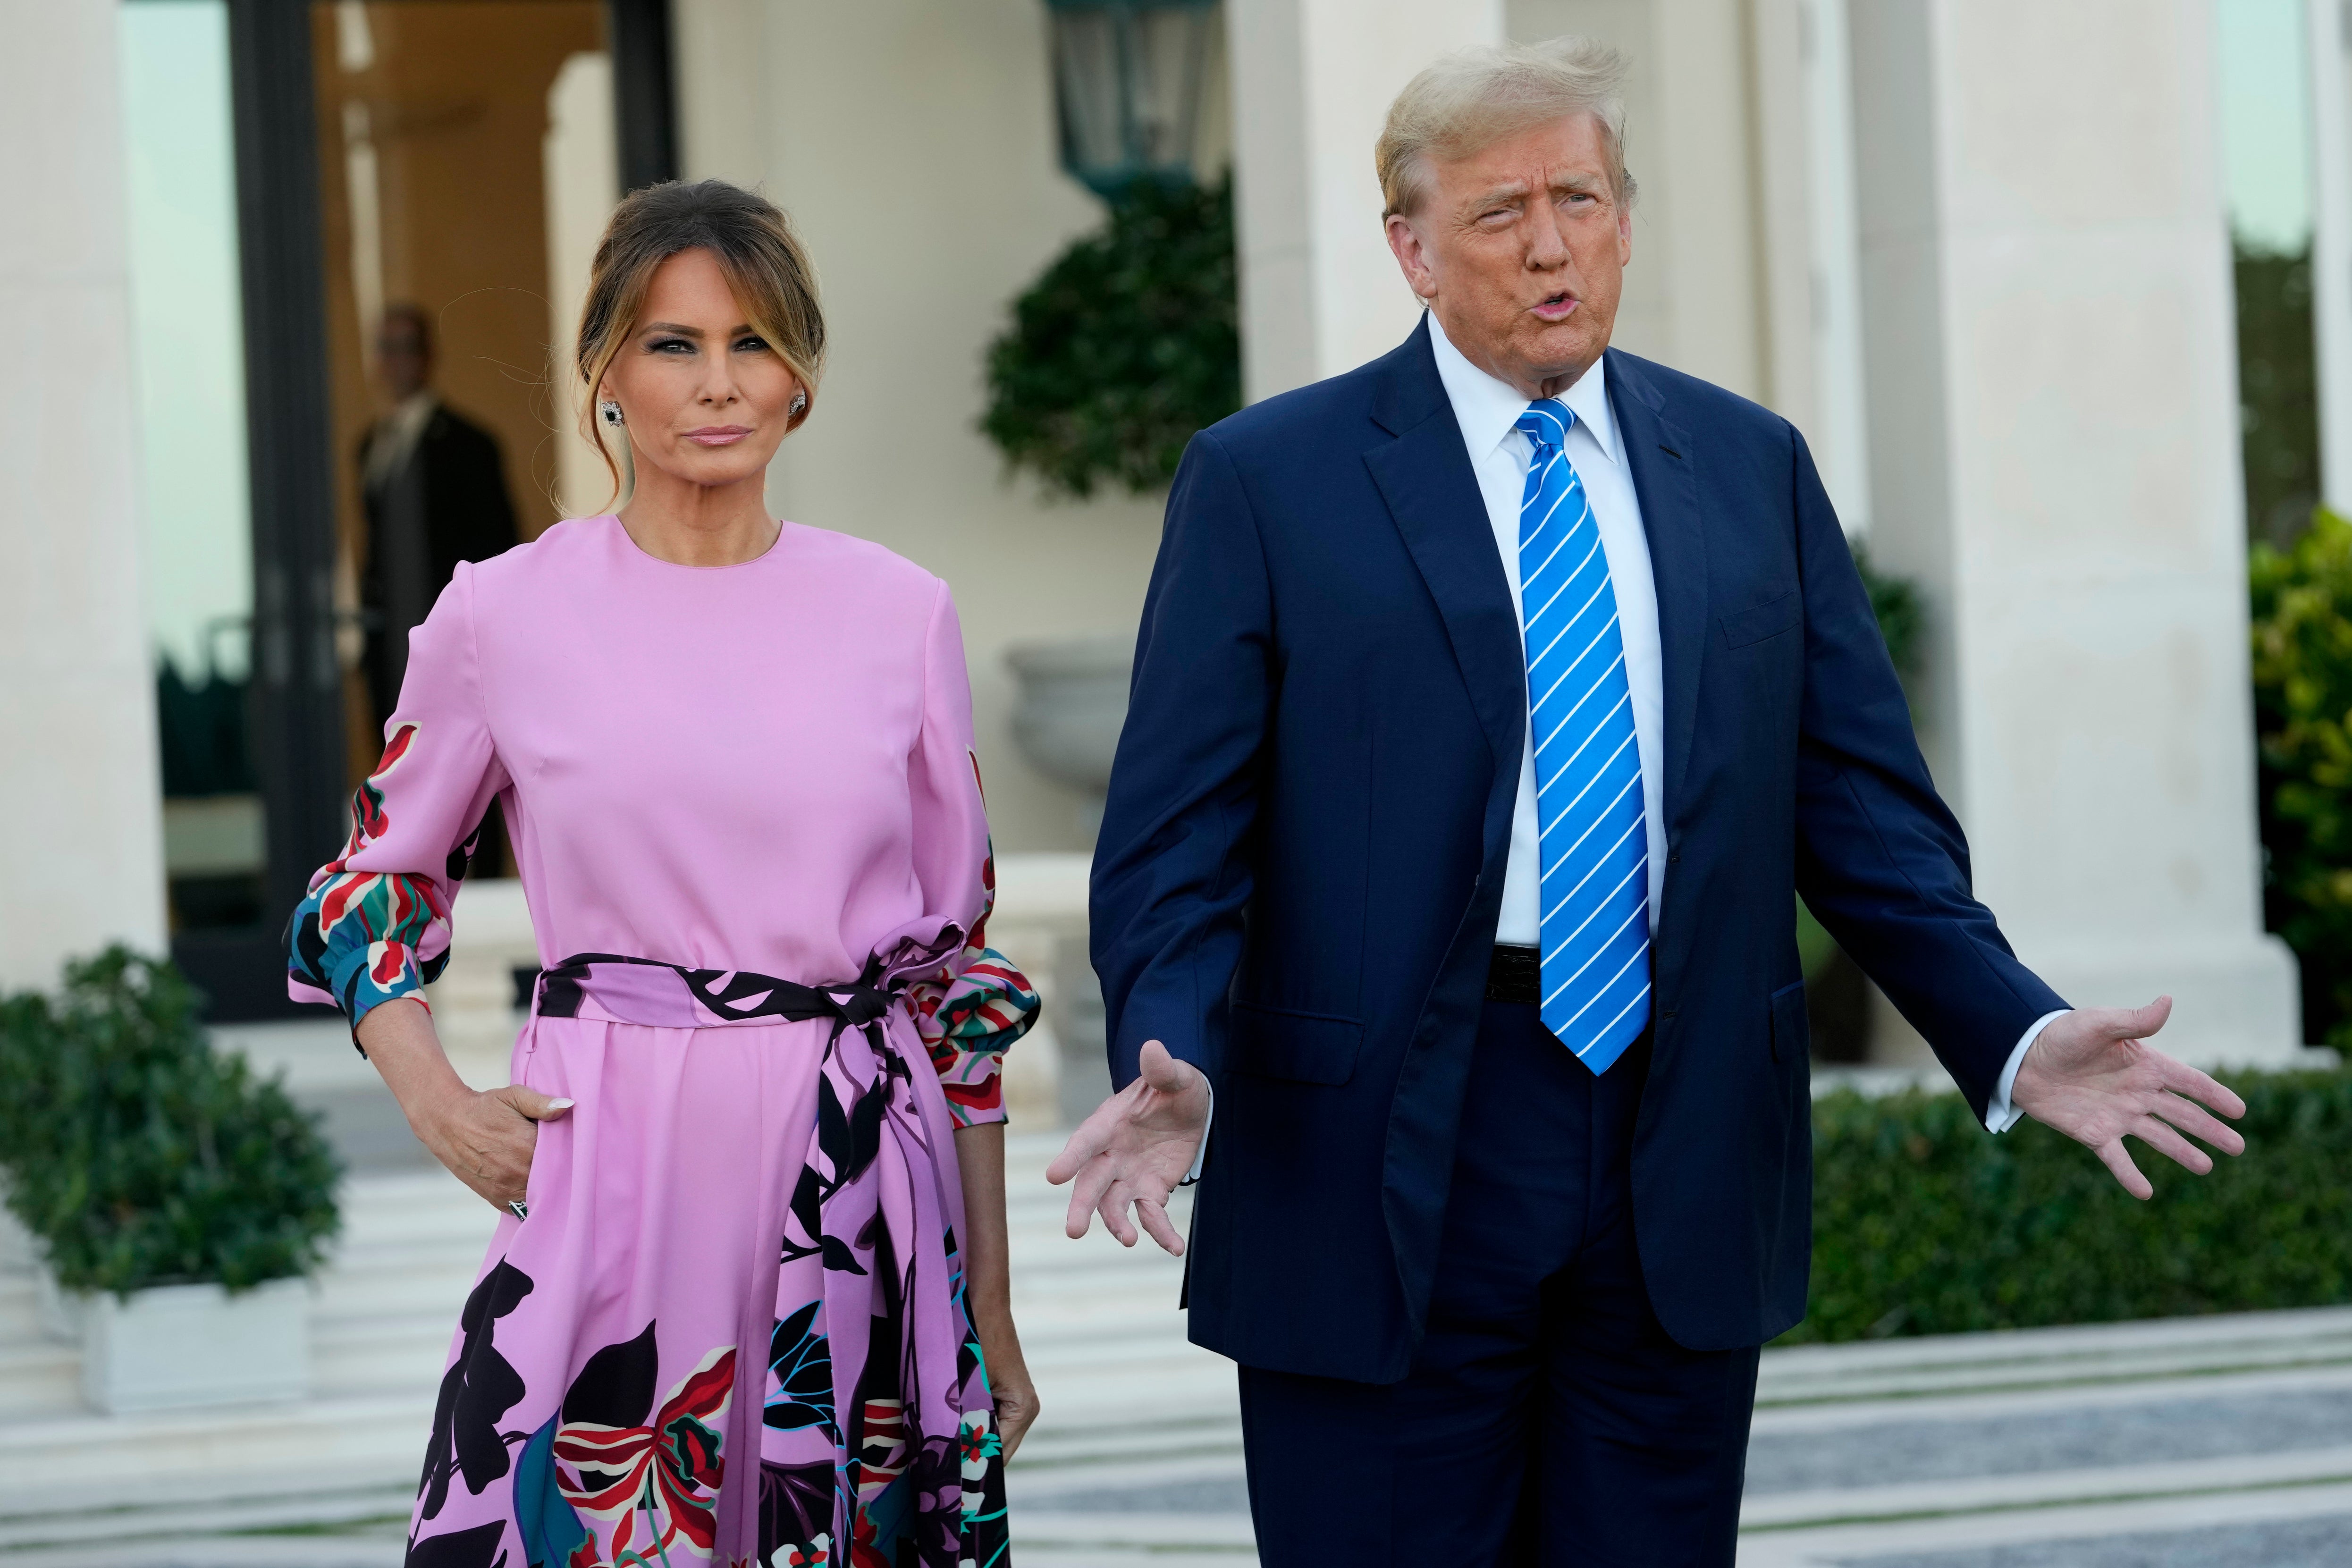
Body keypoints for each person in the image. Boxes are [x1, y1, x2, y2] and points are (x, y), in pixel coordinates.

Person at [1050, 36, 2249, 1567]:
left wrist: (2008, 1024)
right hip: (1377, 1151)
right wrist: (1176, 1042)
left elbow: (1864, 816)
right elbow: (1176, 836)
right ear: (1409, 248)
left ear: (1624, 212)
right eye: (1497, 212)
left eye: (1582, 195)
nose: (1551, 243)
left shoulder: (1748, 469)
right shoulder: (1269, 480)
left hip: (1679, 1140)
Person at [289, 181, 1041, 1568]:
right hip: (613, 1158)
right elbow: (367, 891)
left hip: (861, 1177)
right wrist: (439, 1106)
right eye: (675, 342)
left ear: (800, 378)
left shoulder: (900, 613)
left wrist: (987, 1305)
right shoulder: (498, 612)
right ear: (606, 369)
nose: (718, 384)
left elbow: (957, 991)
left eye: (754, 343)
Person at [358, 303, 520, 735]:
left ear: (428, 355)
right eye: (386, 349)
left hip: (454, 649)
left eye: (406, 348)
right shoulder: (371, 446)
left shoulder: (470, 445)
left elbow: (497, 550)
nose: (396, 361)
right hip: (390, 647)